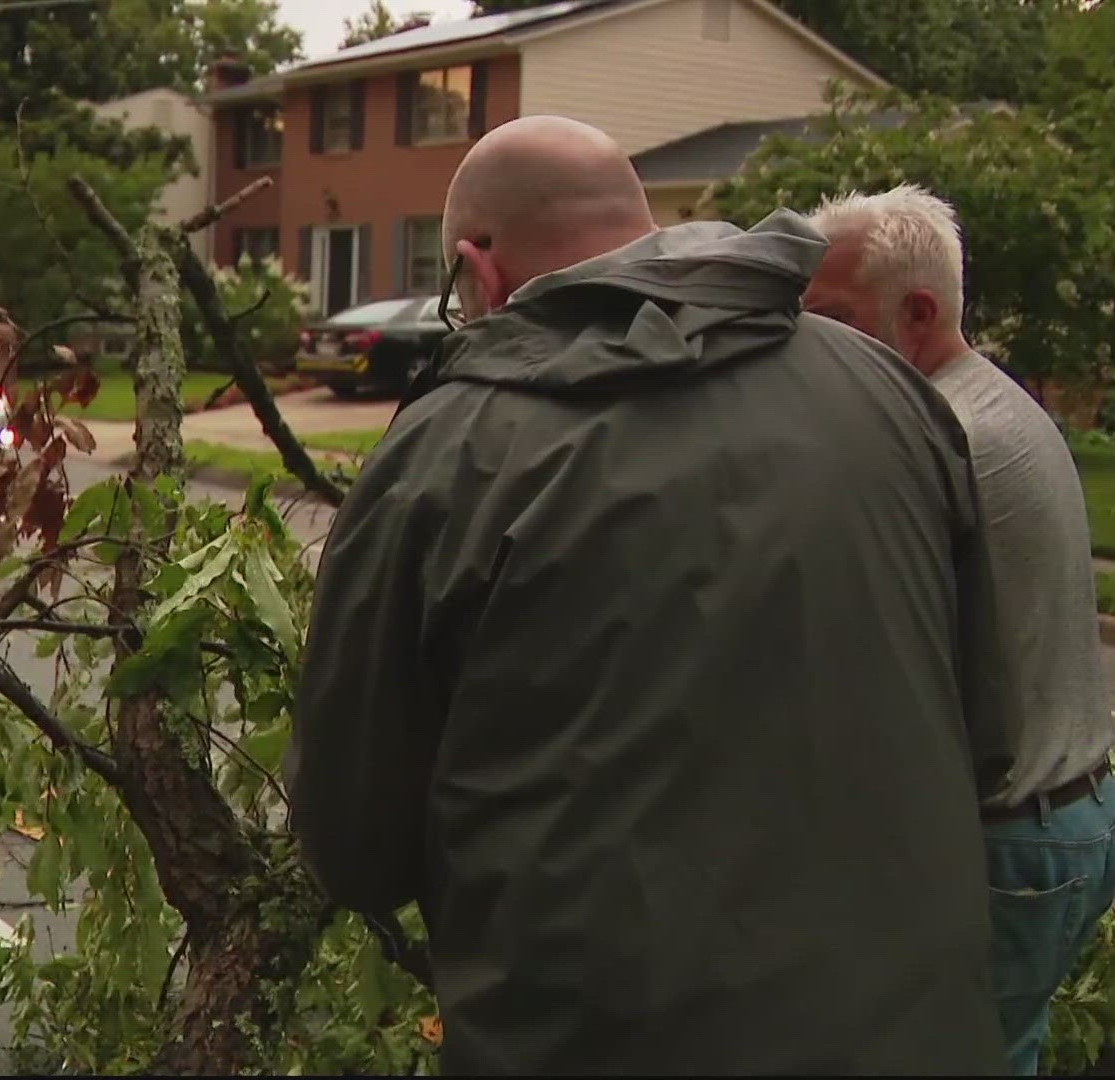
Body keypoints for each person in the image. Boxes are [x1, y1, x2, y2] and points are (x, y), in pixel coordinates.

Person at [286, 116, 1016, 1074]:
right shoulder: (889, 391)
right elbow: (992, 737)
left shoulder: (445, 458)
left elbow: (355, 846)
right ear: (641, 228)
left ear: (477, 268)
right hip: (918, 1035)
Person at [803, 184, 1115, 1076]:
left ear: (917, 312)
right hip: (1071, 814)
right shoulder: (990, 403)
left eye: (832, 321)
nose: (809, 349)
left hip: (1012, 840)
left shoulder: (943, 441)